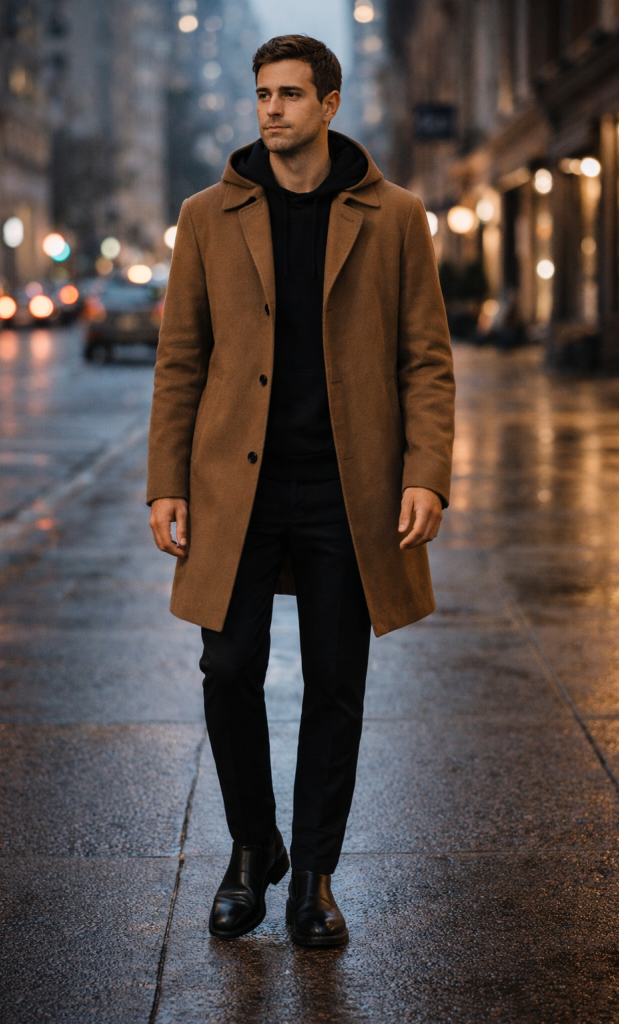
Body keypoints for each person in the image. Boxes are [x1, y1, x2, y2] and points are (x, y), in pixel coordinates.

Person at [147, 34, 455, 947]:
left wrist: (425, 474)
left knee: (336, 685)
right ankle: (253, 849)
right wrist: (167, 481)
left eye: (290, 94)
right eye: (261, 95)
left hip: (344, 490)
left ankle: (313, 877)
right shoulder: (207, 215)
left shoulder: (394, 215)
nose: (272, 109)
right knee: (226, 668)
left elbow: (425, 361)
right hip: (232, 490)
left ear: (328, 104)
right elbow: (181, 360)